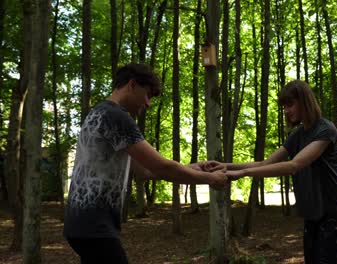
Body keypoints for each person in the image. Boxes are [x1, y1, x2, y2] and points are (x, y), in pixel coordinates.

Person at [63, 63, 227, 264]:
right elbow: (162, 167)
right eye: (147, 94)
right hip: (95, 227)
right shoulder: (116, 116)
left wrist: (193, 167)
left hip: (82, 225)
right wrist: (210, 178)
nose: (148, 103)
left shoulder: (98, 113)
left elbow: (145, 171)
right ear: (132, 85)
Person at [206, 80, 337, 264]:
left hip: (333, 212)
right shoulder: (297, 135)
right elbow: (265, 163)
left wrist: (243, 174)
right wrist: (225, 166)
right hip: (313, 212)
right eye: (284, 106)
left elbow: (294, 165)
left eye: (290, 104)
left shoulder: (325, 130)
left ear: (305, 101)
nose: (286, 111)